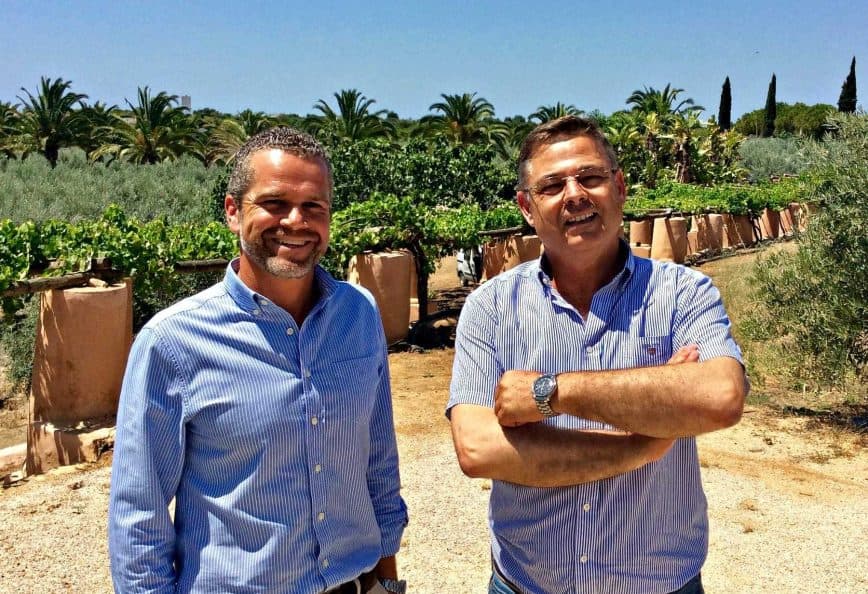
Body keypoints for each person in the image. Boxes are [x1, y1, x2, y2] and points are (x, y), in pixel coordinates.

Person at [447, 116, 747, 594]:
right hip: (526, 585)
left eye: (590, 177)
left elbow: (720, 397)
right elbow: (479, 449)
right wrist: (642, 443)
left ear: (619, 187)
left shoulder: (683, 293)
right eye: (552, 186)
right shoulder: (491, 307)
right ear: (527, 207)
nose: (575, 195)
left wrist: (550, 394)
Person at [109, 127, 408, 594]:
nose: (296, 221)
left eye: (314, 206)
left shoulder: (359, 314)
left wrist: (386, 581)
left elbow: (378, 463)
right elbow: (138, 517)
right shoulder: (172, 342)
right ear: (233, 211)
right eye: (274, 203)